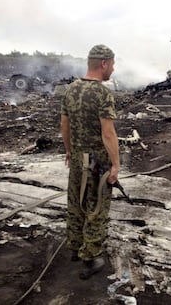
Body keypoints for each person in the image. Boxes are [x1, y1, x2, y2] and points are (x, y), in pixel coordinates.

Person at [59, 44, 120, 280]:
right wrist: (115, 165)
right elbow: (108, 134)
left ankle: (75, 248)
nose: (113, 69)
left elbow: (64, 125)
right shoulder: (103, 94)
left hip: (76, 159)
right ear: (104, 63)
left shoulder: (71, 89)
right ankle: (91, 257)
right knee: (96, 209)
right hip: (97, 164)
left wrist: (68, 151)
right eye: (112, 64)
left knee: (75, 204)